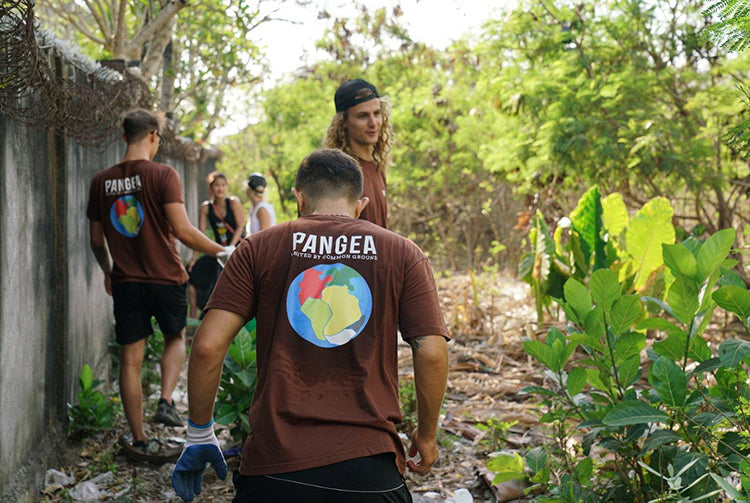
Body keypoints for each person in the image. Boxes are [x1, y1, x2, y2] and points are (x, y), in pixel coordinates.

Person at [171, 149, 449, 502]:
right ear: (361, 204)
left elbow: (208, 345)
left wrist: (199, 432)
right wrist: (426, 435)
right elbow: (434, 353)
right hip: (370, 469)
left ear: (298, 198)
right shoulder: (403, 253)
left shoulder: (257, 247)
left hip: (274, 468)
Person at [86, 109, 233, 459]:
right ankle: (166, 401)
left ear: (125, 137)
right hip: (166, 277)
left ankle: (138, 440)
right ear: (153, 136)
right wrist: (222, 250)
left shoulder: (101, 181)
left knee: (130, 361)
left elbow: (95, 240)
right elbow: (182, 230)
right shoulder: (164, 174)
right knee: (175, 337)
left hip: (125, 281)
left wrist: (108, 270)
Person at [324, 78, 393, 228]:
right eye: (362, 116)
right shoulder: (337, 174)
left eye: (377, 113)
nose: (373, 123)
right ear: (343, 122)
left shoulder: (377, 168)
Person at [187, 171, 246, 318]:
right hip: (219, 252)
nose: (220, 189)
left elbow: (240, 226)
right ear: (211, 188)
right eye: (217, 186)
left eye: (223, 185)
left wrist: (231, 248)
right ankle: (193, 313)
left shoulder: (233, 202)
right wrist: (194, 257)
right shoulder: (206, 207)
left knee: (222, 281)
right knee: (192, 273)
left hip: (236, 249)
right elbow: (200, 233)